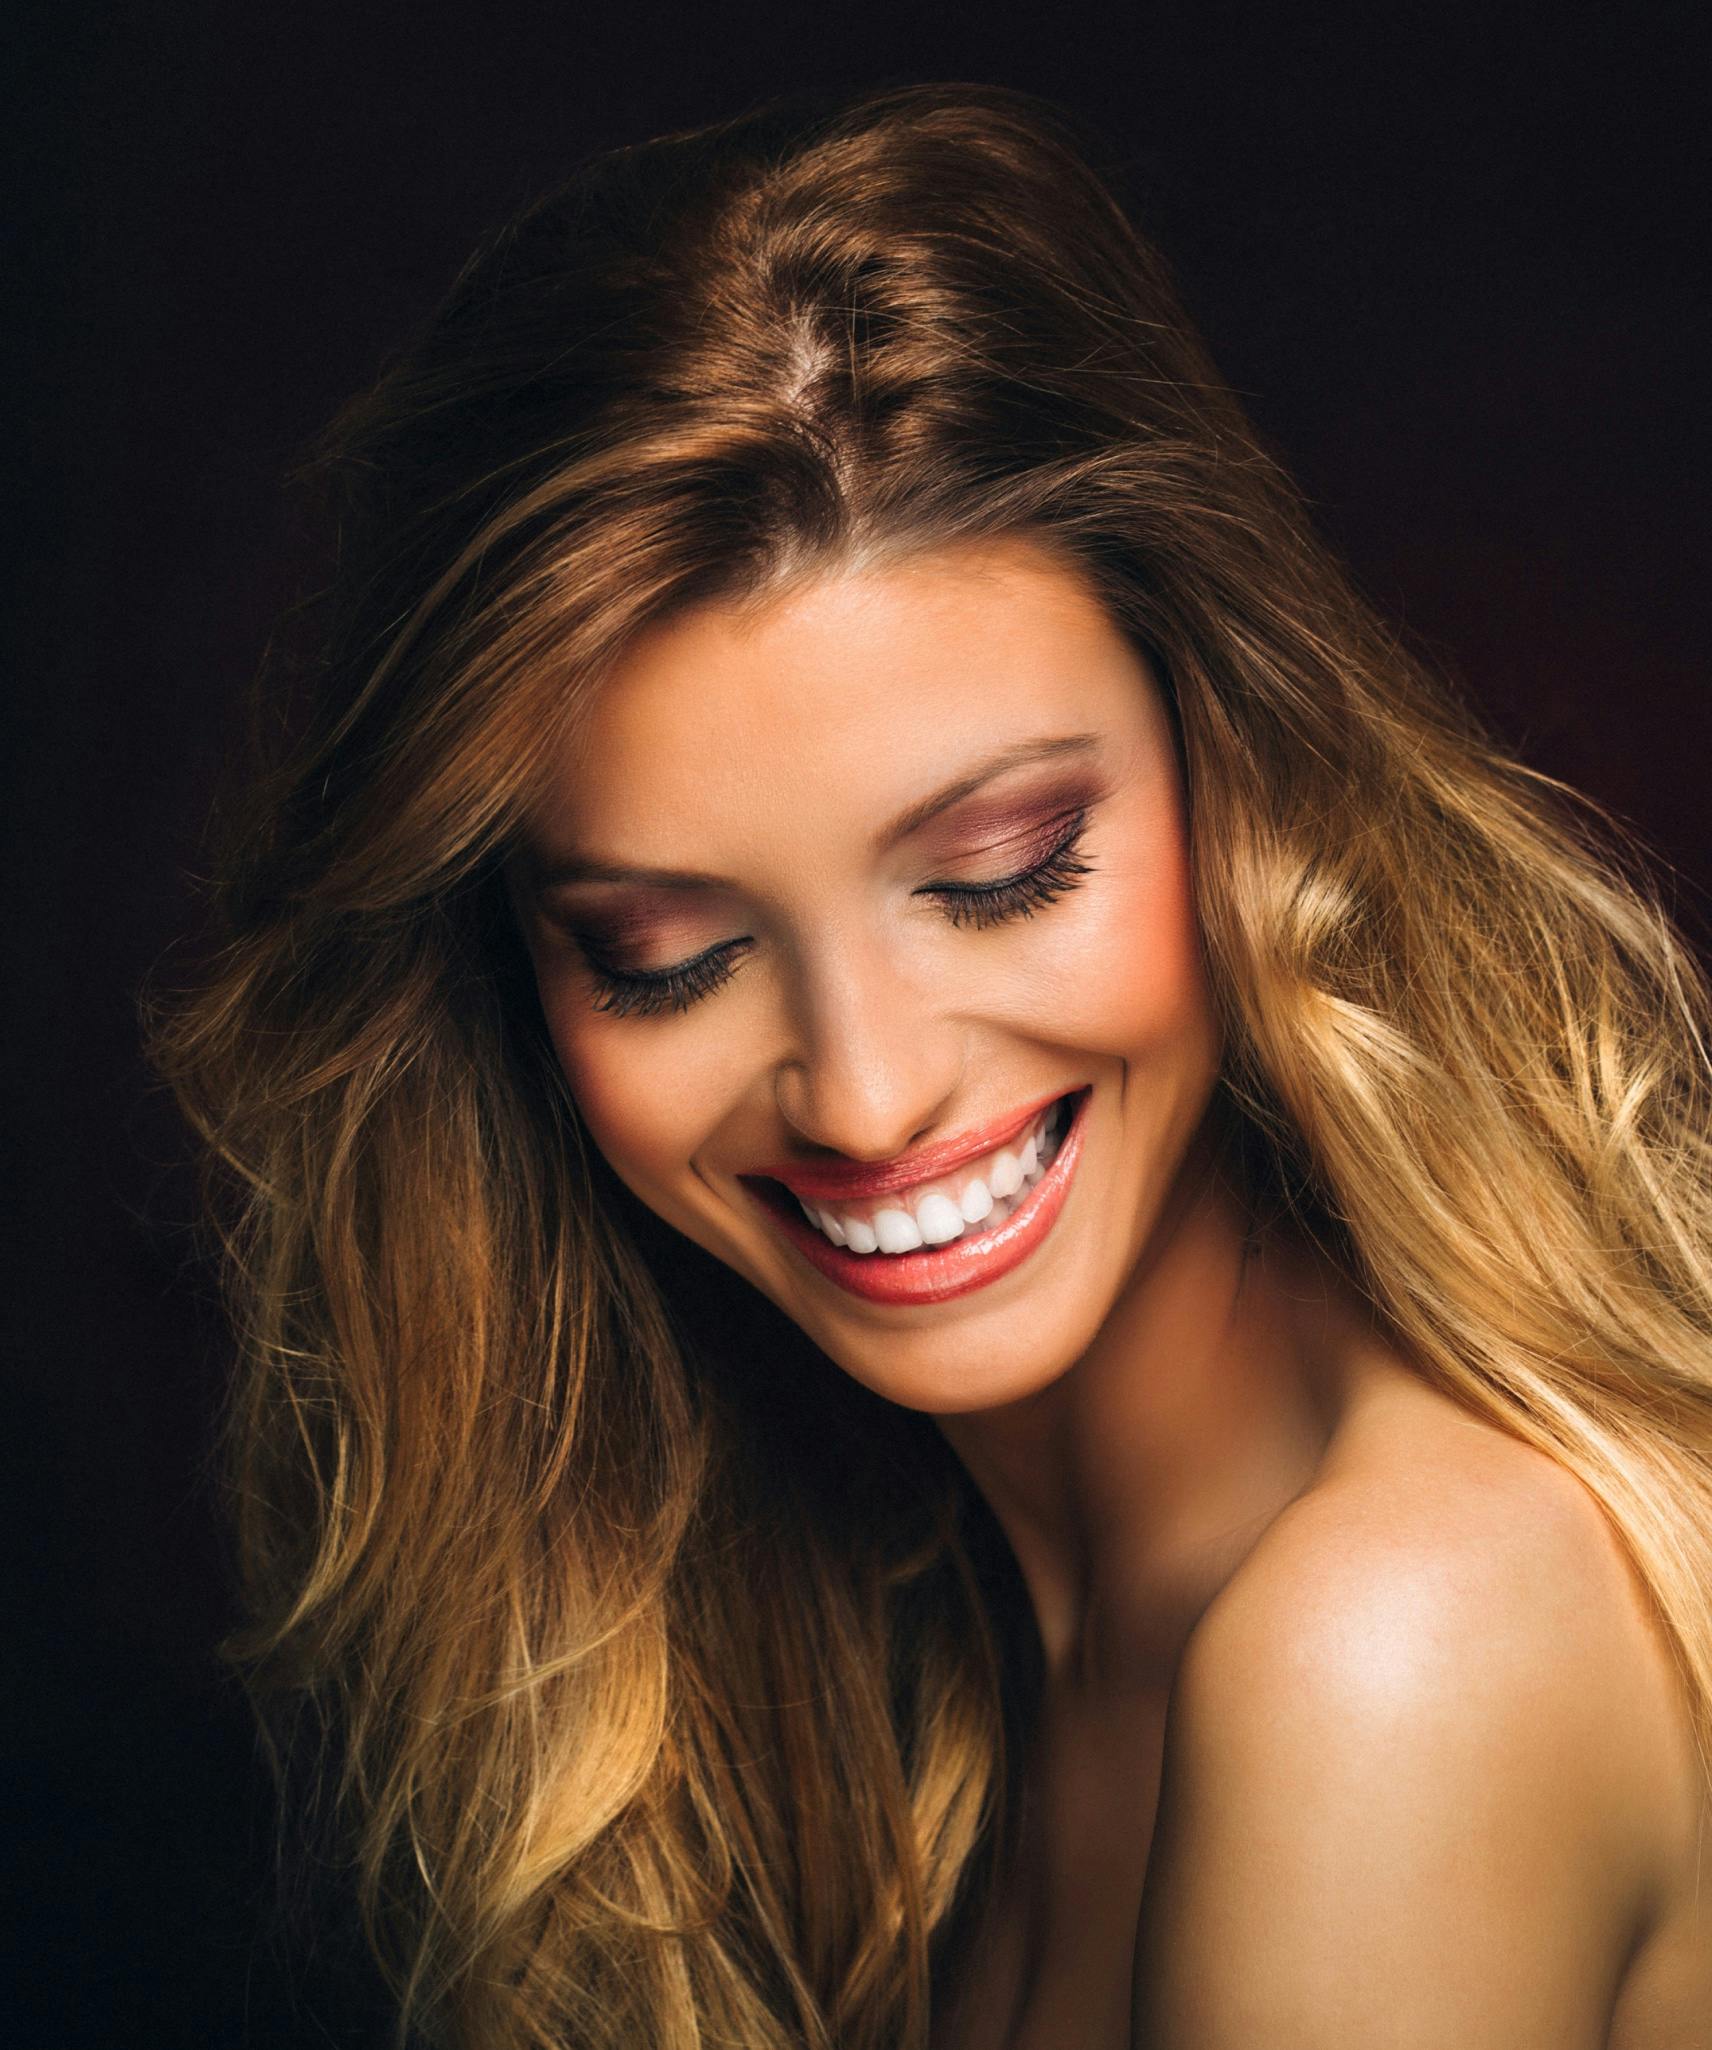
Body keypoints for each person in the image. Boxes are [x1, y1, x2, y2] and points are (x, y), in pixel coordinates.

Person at [147, 82, 1712, 2050]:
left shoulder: (1390, 1650)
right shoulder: (913, 1657)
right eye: (667, 955)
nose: (868, 1093)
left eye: (999, 869)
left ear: (1242, 773)